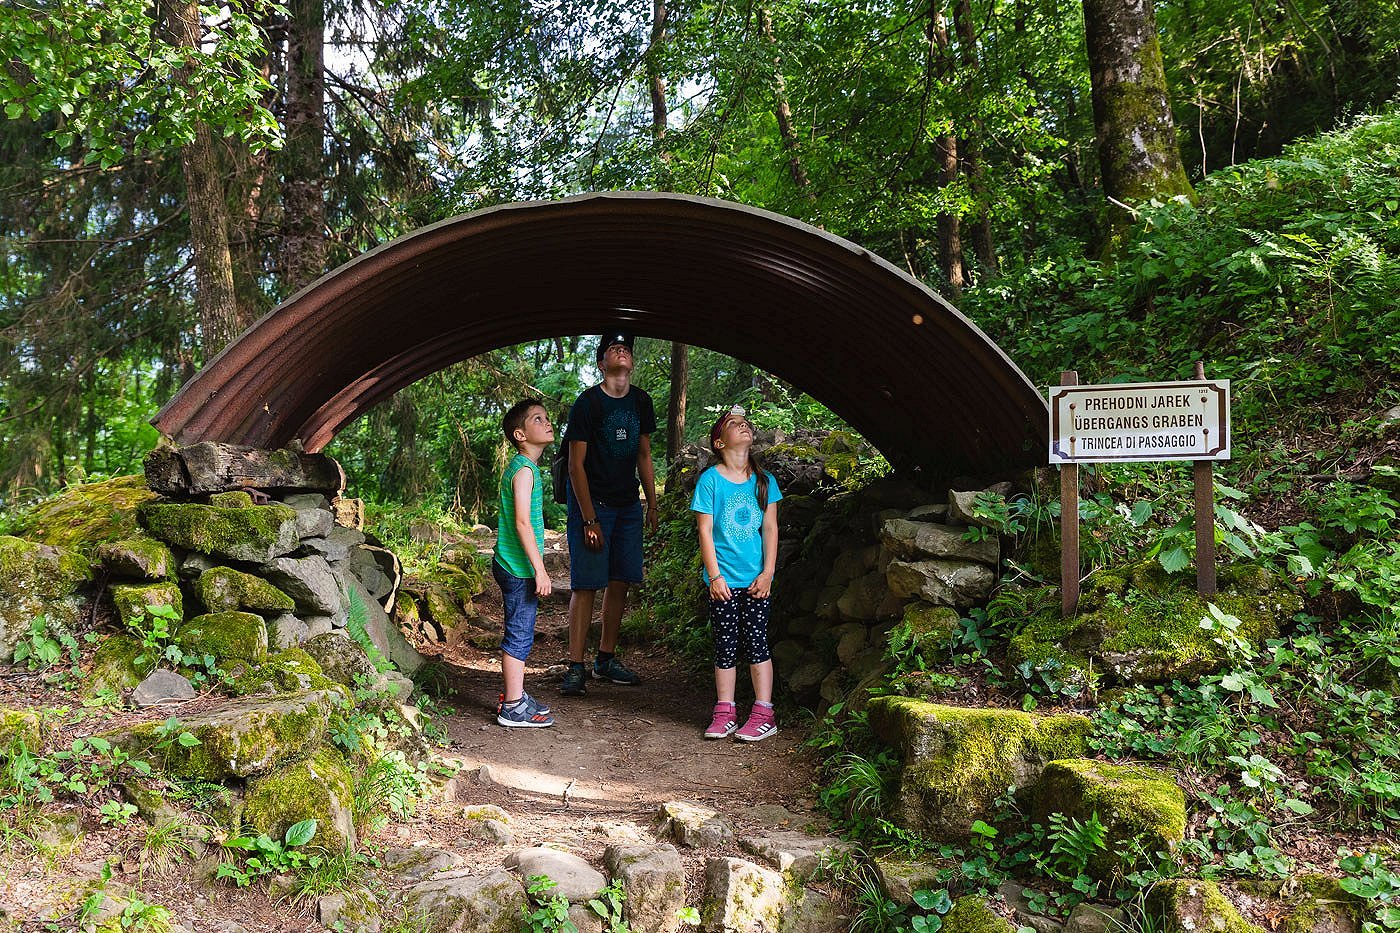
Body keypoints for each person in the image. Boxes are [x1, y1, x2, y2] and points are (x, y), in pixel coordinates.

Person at [560, 331, 659, 696]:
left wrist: (652, 502)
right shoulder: (587, 404)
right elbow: (575, 466)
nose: (621, 350)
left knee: (620, 580)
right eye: (613, 349)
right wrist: (589, 519)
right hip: (593, 504)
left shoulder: (640, 401)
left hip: (628, 506)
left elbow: (644, 455)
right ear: (602, 363)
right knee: (586, 584)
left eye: (626, 348)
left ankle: (605, 658)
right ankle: (575, 666)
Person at [691, 407, 783, 741]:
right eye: (733, 424)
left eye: (745, 423)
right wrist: (715, 577)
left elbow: (770, 529)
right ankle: (725, 710)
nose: (742, 426)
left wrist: (768, 573)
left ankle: (763, 712)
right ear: (719, 442)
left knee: (757, 642)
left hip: (757, 580)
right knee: (725, 645)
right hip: (724, 582)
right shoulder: (710, 481)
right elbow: (705, 531)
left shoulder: (764, 481)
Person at [492, 398, 556, 727]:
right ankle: (513, 706)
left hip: (514, 564)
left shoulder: (524, 467)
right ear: (520, 434)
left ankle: (515, 695)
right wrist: (540, 569)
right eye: (537, 419)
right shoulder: (524, 470)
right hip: (518, 568)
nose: (547, 422)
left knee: (521, 630)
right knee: (519, 634)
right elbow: (521, 522)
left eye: (547, 417)